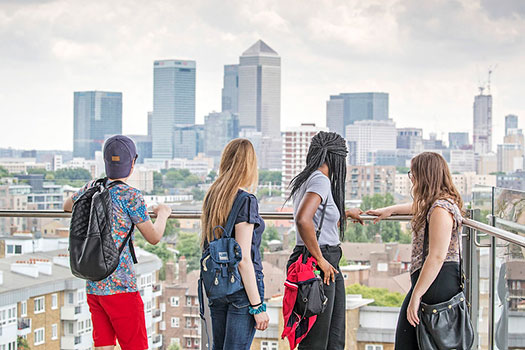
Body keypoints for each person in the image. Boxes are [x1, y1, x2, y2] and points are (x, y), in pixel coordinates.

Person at [63, 135, 171, 350]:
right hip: (121, 286)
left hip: (94, 282)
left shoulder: (92, 187)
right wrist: (163, 214)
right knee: (134, 345)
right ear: (132, 163)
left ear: (105, 161)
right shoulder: (131, 196)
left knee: (103, 345)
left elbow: (68, 205)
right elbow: (153, 237)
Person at [367, 152, 464, 350]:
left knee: (413, 340)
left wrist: (416, 296)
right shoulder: (436, 204)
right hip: (433, 280)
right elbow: (419, 206)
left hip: (437, 281)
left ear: (424, 175)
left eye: (413, 173)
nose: (411, 178)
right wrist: (391, 209)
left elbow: (437, 256)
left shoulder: (440, 209)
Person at [286, 131, 363, 350]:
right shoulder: (320, 179)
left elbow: (320, 217)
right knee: (317, 340)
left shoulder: (308, 177)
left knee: (334, 336)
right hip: (318, 260)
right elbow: (304, 219)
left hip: (323, 259)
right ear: (336, 158)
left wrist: (345, 213)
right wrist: (320, 259)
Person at [201, 139, 269, 350]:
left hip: (216, 285)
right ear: (249, 165)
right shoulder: (246, 200)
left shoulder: (214, 195)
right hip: (241, 288)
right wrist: (258, 307)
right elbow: (243, 259)